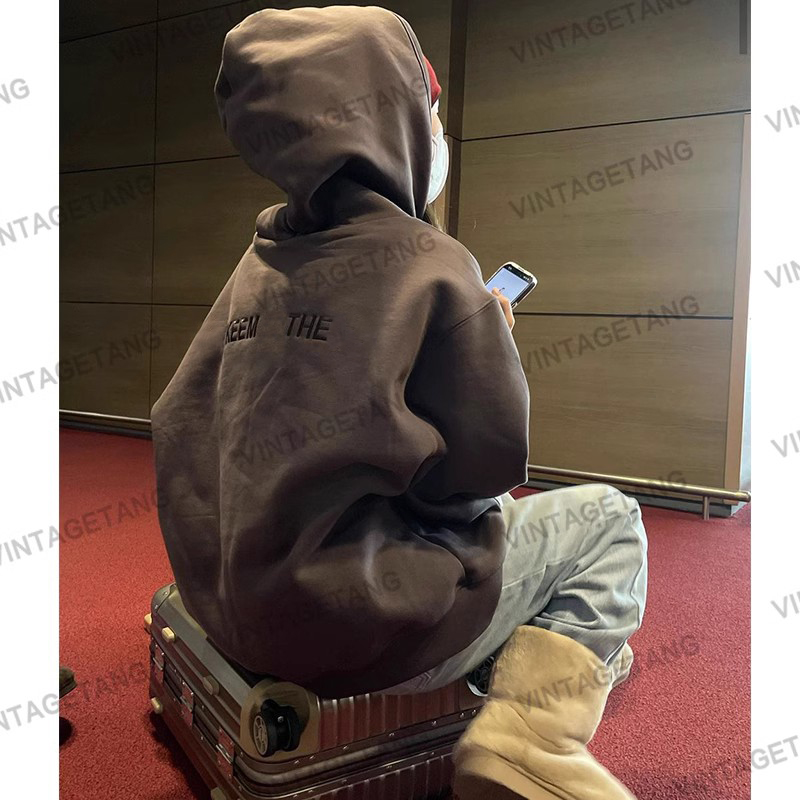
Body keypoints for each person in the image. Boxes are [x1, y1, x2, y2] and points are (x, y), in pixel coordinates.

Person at [151, 6, 647, 799]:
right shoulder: (432, 265)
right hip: (367, 631)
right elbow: (484, 471)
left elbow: (179, 424)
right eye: (434, 113)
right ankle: (529, 740)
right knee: (609, 520)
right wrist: (485, 337)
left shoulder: (259, 260)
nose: (439, 134)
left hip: (240, 611)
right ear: (398, 122)